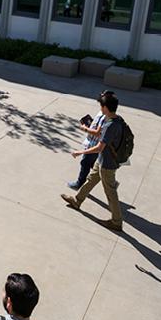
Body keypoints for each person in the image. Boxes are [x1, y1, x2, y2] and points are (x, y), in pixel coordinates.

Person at [61, 92, 125, 232]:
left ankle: (116, 221)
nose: (100, 109)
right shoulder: (116, 119)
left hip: (107, 164)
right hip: (103, 160)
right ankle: (77, 201)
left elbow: (99, 147)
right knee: (90, 179)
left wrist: (80, 152)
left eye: (102, 106)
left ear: (106, 108)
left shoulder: (110, 125)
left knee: (110, 192)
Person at [68, 91, 115, 190]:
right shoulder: (104, 112)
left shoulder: (104, 115)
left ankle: (79, 183)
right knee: (95, 166)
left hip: (94, 144)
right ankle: (112, 182)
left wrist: (85, 128)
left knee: (85, 163)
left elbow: (98, 132)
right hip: (93, 143)